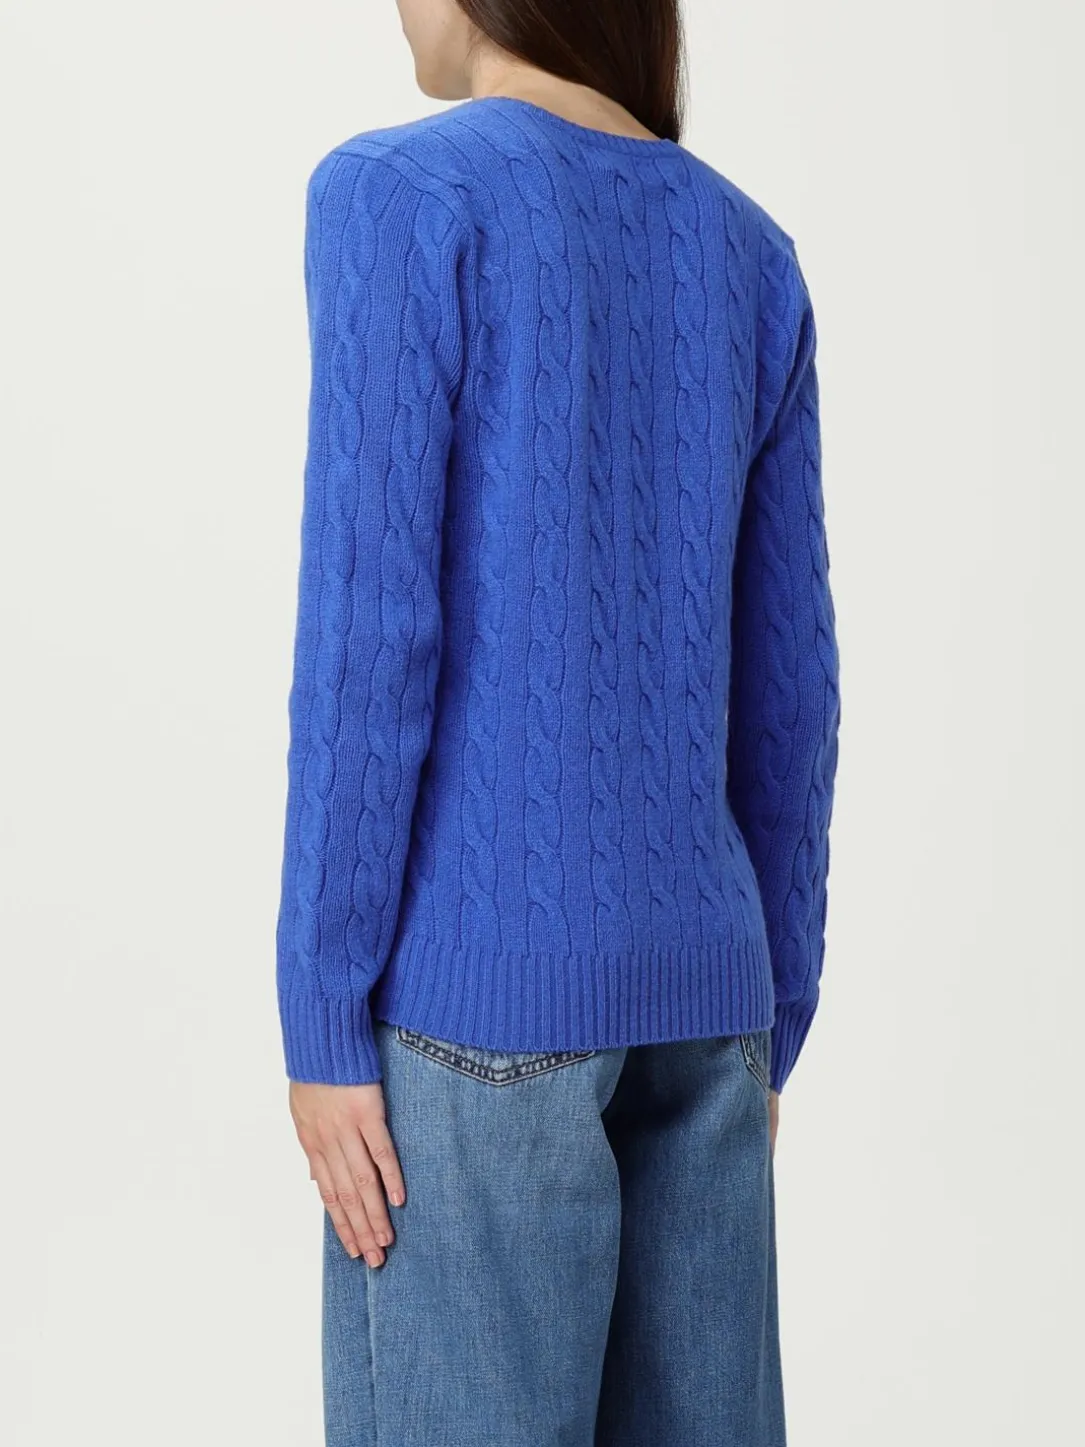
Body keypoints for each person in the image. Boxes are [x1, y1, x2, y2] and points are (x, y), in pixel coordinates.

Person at [274, 1, 841, 1442]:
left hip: (478, 1018)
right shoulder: (750, 255)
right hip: (709, 1002)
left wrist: (323, 1016)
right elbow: (792, 693)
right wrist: (769, 1020)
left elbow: (369, 639)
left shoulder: (399, 197)